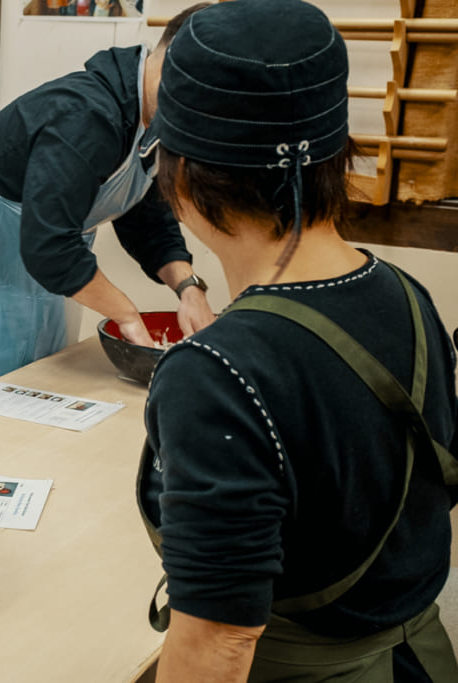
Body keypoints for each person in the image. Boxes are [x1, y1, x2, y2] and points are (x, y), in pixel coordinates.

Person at [137, 1, 458, 680]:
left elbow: (220, 642)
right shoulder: (408, 295)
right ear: (338, 158)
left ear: (183, 179)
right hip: (421, 663)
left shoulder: (216, 372)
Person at [0, 4, 215, 397]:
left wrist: (189, 288)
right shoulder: (87, 115)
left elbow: (144, 215)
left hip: (28, 266)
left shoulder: (142, 120)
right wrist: (126, 314)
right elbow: (50, 246)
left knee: (37, 388)